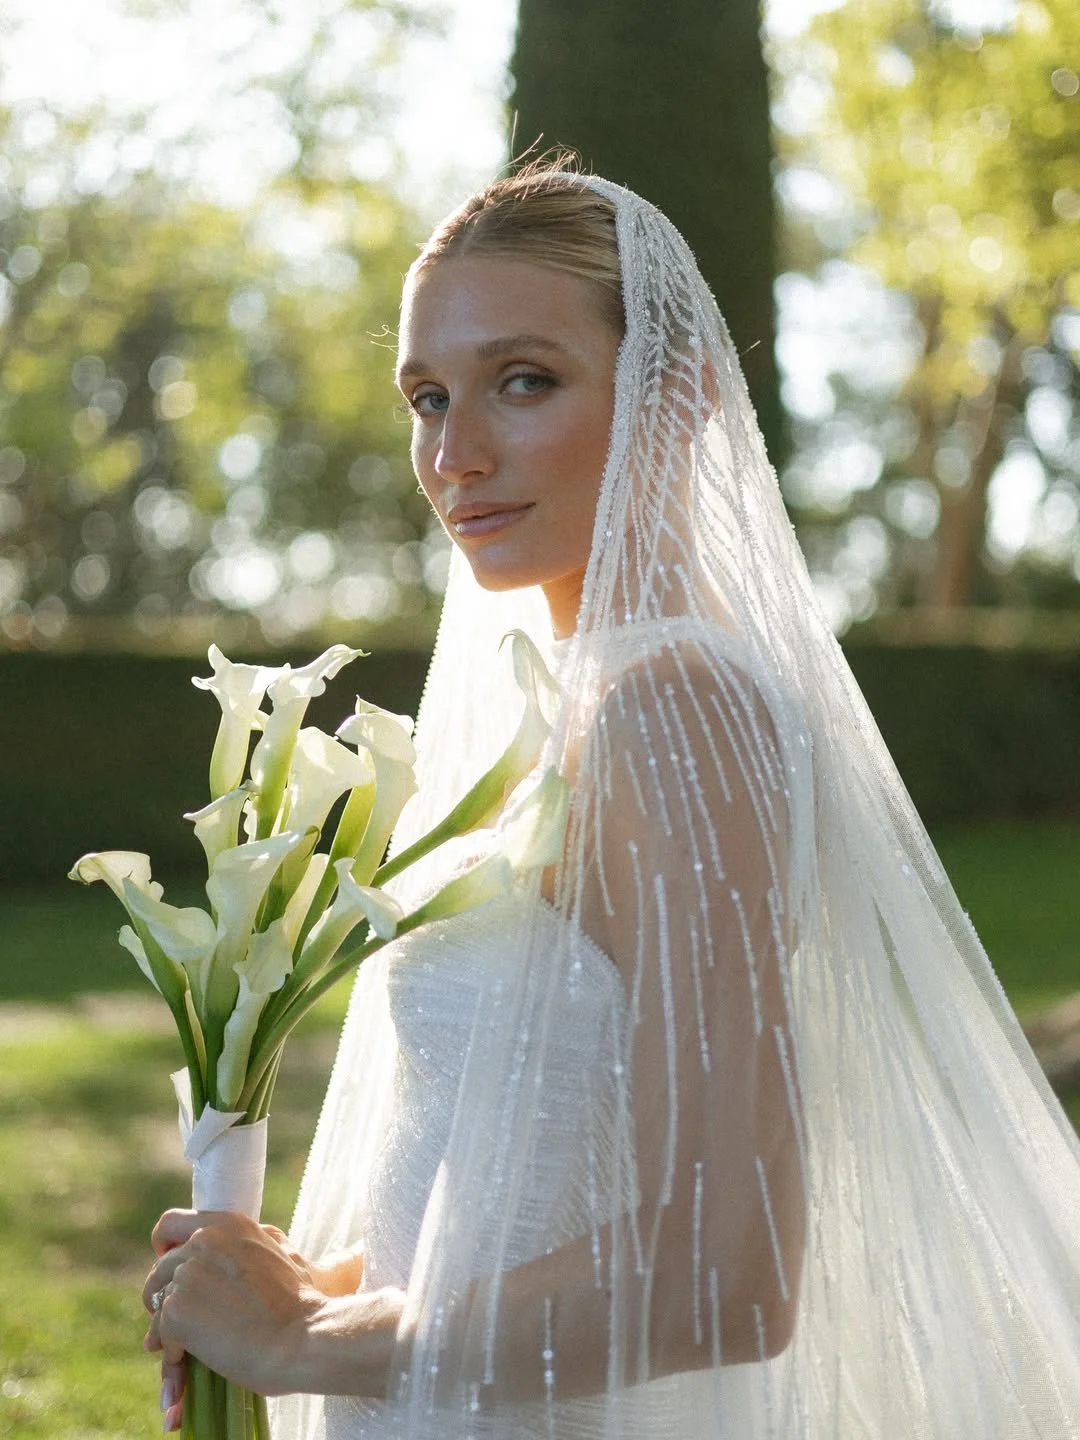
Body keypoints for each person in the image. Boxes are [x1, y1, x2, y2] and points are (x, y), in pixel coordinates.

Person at [143, 163, 1080, 1438]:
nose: (452, 454)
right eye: (428, 397)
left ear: (677, 393)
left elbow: (724, 1276)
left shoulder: (675, 712)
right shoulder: (558, 711)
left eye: (523, 380)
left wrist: (307, 1337)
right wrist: (290, 1293)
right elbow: (524, 1191)